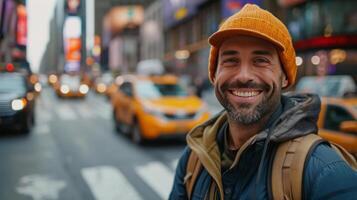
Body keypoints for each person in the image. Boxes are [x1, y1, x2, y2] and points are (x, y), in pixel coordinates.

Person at [169, 4, 357, 200]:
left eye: (260, 61)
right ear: (214, 75)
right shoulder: (193, 158)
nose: (243, 76)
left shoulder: (324, 171)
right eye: (230, 61)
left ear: (284, 77)